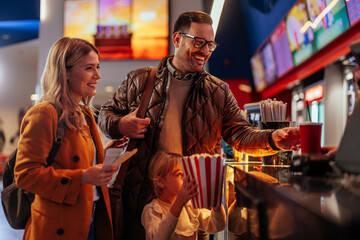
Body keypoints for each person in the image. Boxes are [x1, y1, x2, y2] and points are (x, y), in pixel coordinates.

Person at [98, 11, 299, 239]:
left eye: (210, 44)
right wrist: (121, 124)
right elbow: (105, 115)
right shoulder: (140, 80)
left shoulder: (217, 91)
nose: (205, 50)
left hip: (196, 210)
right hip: (142, 205)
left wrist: (273, 139)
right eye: (198, 42)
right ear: (177, 39)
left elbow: (240, 134)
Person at [14, 37, 118, 240]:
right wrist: (84, 177)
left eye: (97, 67)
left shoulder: (85, 114)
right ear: (65, 72)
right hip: (58, 226)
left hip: (91, 217)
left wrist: (112, 149)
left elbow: (78, 159)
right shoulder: (45, 113)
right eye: (89, 68)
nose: (97, 75)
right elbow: (26, 175)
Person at [141, 151, 226, 240]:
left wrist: (217, 206)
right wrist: (179, 203)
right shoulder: (152, 211)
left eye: (186, 173)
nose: (185, 178)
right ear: (160, 182)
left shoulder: (190, 207)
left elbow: (216, 227)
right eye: (179, 174)